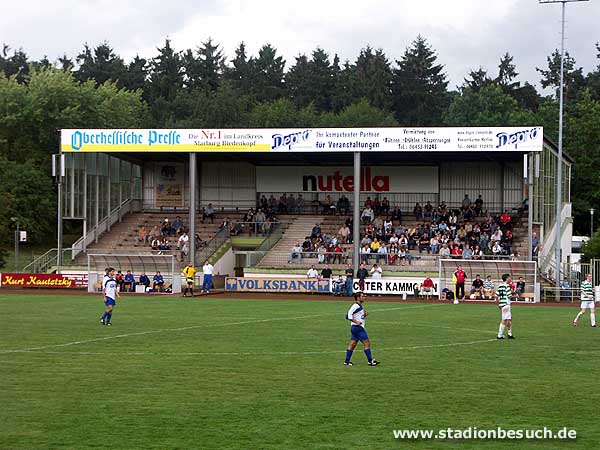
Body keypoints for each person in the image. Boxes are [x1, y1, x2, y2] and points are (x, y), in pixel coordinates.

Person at [344, 292, 380, 366]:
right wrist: (356, 322)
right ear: (358, 298)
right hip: (358, 328)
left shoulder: (359, 306)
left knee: (352, 344)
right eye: (362, 296)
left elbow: (358, 316)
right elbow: (348, 316)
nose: (364, 297)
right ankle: (370, 361)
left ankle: (346, 361)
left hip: (354, 328)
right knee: (367, 343)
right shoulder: (355, 306)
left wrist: (364, 315)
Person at [496, 274, 514, 339]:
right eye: (509, 278)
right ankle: (500, 335)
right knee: (504, 320)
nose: (510, 279)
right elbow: (509, 296)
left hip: (502, 304)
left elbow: (496, 296)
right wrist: (515, 296)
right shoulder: (507, 286)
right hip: (506, 304)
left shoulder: (500, 286)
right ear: (506, 278)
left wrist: (498, 304)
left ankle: (510, 334)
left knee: (509, 318)